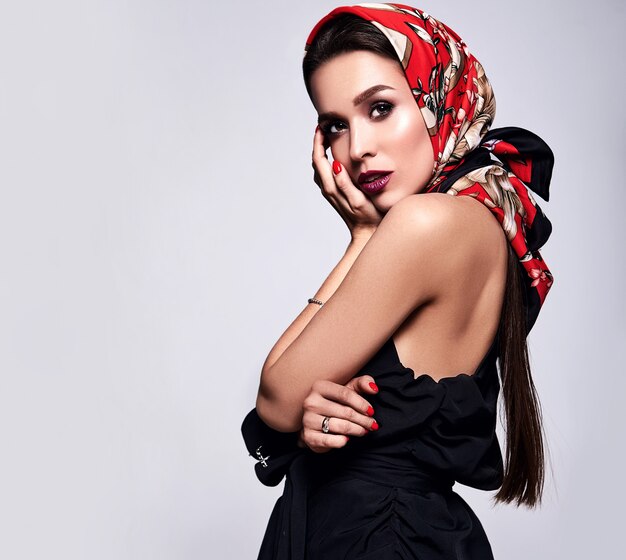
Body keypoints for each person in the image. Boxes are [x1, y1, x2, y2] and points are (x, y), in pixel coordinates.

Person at [241, 3, 555, 559]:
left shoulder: (427, 223)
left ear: (440, 100)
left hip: (380, 536)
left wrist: (362, 238)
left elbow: (276, 399)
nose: (357, 147)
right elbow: (290, 405)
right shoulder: (478, 220)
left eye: (380, 108)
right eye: (336, 124)